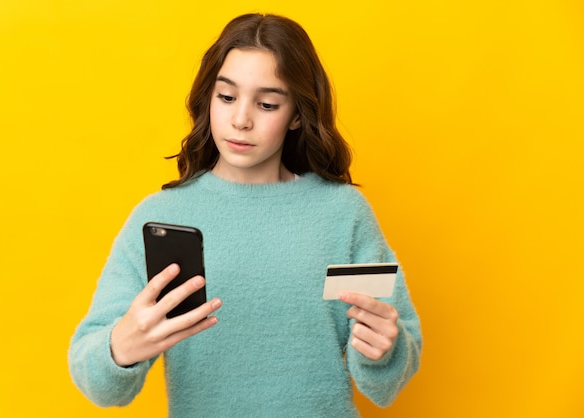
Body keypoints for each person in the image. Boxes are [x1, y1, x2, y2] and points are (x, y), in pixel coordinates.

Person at [69, 13, 422, 417]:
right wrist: (121, 347)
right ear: (208, 98)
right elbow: (95, 378)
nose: (241, 119)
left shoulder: (343, 214)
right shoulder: (162, 216)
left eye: (268, 103)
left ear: (296, 115)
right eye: (227, 97)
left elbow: (390, 374)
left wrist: (384, 350)